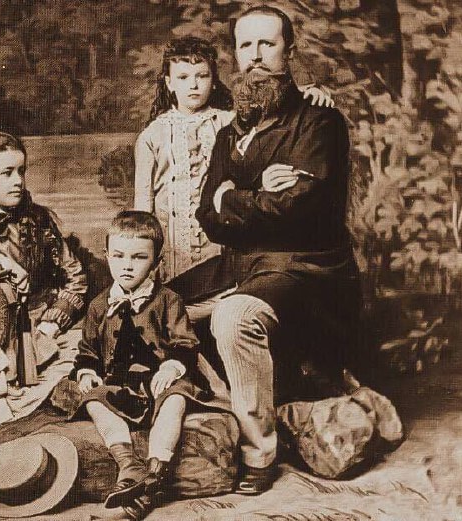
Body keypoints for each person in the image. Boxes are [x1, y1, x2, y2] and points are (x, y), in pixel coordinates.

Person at [195, 5, 361, 495]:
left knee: (233, 317)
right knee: (160, 304)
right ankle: (220, 422)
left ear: (290, 51)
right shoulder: (229, 132)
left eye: (267, 44)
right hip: (243, 265)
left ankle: (259, 451)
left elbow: (296, 210)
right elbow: (207, 216)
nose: (255, 55)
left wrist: (232, 197)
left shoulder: (318, 121)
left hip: (306, 270)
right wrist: (253, 196)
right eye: (245, 45)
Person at [134, 36, 333, 287]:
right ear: (169, 83)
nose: (193, 85)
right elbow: (142, 207)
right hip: (172, 248)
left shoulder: (231, 122)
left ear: (213, 80)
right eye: (183, 77)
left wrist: (308, 94)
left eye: (202, 76)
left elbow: (277, 117)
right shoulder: (152, 135)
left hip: (221, 241)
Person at [71, 211, 231, 521]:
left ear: (156, 262)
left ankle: (155, 472)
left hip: (162, 380)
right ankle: (129, 464)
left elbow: (186, 343)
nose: (127, 265)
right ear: (107, 255)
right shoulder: (98, 305)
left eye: (139, 257)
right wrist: (87, 371)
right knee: (93, 400)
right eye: (118, 256)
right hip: (121, 382)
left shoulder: (168, 300)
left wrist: (171, 367)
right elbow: (88, 350)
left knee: (175, 399)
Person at [0, 130, 87, 351]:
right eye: (7, 173)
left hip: (49, 330)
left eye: (21, 171)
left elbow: (75, 277)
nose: (18, 181)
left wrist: (53, 323)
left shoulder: (40, 220)